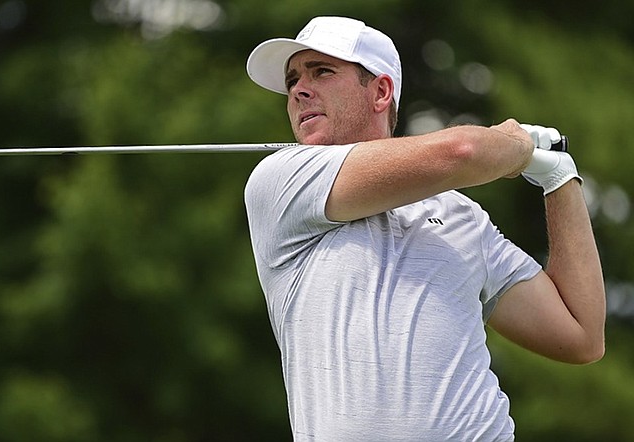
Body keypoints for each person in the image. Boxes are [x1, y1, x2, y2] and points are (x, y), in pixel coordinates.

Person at [243, 16, 606, 441]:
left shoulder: (461, 215)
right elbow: (464, 150)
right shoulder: (282, 180)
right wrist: (515, 144)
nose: (299, 90)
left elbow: (581, 336)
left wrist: (559, 180)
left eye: (321, 72)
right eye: (292, 81)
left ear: (380, 92)